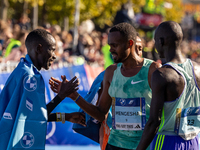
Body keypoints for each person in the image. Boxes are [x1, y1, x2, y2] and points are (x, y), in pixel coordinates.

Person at [50, 22, 161, 150]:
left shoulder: (153, 70)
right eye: (110, 45)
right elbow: (101, 114)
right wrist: (74, 96)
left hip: (145, 145)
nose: (110, 49)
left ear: (130, 43)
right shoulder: (111, 72)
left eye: (115, 45)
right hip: (115, 144)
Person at [0, 29, 84, 150]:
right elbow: (35, 117)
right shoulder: (30, 77)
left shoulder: (23, 69)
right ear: (39, 49)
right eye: (52, 49)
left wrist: (66, 116)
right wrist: (61, 95)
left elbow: (31, 116)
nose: (55, 55)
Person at [136, 21, 200, 150]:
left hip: (167, 141)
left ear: (161, 41)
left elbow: (154, 121)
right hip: (194, 141)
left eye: (155, 41)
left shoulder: (162, 75)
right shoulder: (198, 69)